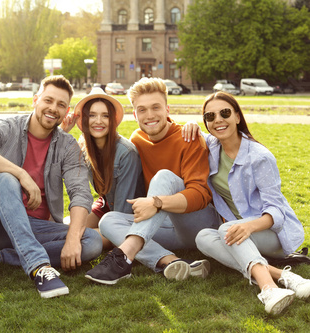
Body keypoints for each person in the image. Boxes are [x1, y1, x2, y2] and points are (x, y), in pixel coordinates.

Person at [0, 75, 102, 298]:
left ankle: (0, 257)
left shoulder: (67, 145)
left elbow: (81, 193)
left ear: (66, 111)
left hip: (36, 227)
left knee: (91, 241)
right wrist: (20, 173)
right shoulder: (9, 127)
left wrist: (73, 239)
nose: (53, 108)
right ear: (36, 99)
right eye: (48, 100)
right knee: (6, 178)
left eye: (61, 105)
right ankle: (39, 267)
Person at [85, 77, 222, 285]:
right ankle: (172, 262)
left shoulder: (189, 137)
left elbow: (201, 195)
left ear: (167, 109)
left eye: (155, 107)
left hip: (199, 223)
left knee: (164, 177)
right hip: (164, 226)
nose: (149, 115)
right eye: (142, 110)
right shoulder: (137, 139)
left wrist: (157, 203)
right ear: (135, 114)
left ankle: (125, 255)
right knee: (109, 221)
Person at [185, 91, 310, 315]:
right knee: (202, 238)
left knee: (226, 229)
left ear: (237, 117)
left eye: (225, 113)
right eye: (210, 117)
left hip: (272, 234)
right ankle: (284, 276)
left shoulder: (260, 157)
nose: (218, 120)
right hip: (238, 233)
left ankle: (268, 289)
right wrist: (189, 123)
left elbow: (276, 212)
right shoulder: (212, 146)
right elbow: (184, 129)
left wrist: (248, 226)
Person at [61, 87, 142, 249]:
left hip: (128, 217)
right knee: (63, 229)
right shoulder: (84, 146)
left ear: (112, 120)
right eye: (92, 115)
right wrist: (62, 132)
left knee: (82, 238)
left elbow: (121, 215)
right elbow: (55, 165)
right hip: (105, 206)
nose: (98, 121)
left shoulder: (126, 153)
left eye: (105, 116)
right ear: (84, 119)